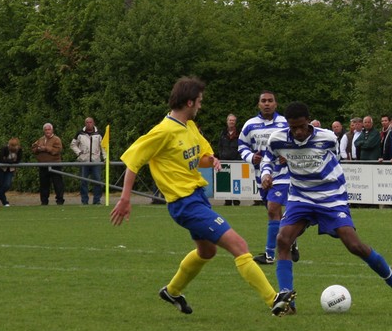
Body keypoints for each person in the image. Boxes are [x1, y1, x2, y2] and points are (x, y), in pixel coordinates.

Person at [110, 77, 291, 316]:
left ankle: (172, 291)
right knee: (239, 245)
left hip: (197, 198)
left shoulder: (190, 127)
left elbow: (201, 158)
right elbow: (133, 161)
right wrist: (125, 198)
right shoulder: (163, 131)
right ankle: (274, 300)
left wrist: (211, 160)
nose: (200, 106)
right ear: (189, 102)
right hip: (184, 203)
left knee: (207, 251)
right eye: (199, 101)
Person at [260, 102, 392, 310]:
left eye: (302, 126)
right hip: (301, 196)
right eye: (293, 128)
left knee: (354, 245)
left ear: (308, 122)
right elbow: (267, 158)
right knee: (282, 239)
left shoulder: (327, 138)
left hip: (331, 196)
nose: (298, 132)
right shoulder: (278, 139)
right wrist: (266, 174)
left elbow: (335, 159)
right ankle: (287, 300)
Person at [238, 91, 296, 265]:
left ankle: (269, 255)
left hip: (282, 173)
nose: (267, 104)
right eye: (263, 101)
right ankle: (291, 239)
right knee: (274, 213)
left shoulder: (285, 123)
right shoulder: (250, 125)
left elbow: (298, 141)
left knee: (273, 208)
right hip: (261, 175)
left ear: (276, 104)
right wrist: (251, 157)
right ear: (259, 104)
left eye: (270, 101)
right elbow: (241, 145)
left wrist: (289, 155)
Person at [70, 116, 105, 205]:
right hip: (84, 161)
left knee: (97, 181)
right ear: (85, 124)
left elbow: (103, 147)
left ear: (93, 123)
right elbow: (73, 145)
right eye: (87, 122)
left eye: (90, 122)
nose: (89, 124)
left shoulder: (99, 133)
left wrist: (105, 157)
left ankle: (97, 200)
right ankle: (84, 201)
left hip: (96, 161)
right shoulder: (80, 133)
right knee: (83, 182)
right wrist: (79, 153)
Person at [31, 123, 65, 206]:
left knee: (57, 184)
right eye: (46, 130)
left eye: (49, 129)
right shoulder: (40, 139)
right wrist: (38, 149)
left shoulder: (56, 139)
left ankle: (60, 201)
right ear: (43, 131)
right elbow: (33, 148)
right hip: (43, 165)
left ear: (52, 130)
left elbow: (57, 150)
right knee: (44, 184)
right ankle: (44, 201)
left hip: (55, 165)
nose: (47, 131)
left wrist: (46, 148)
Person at [216, 113, 242, 205]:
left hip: (236, 161)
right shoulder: (223, 133)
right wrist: (221, 155)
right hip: (225, 161)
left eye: (233, 120)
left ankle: (236, 200)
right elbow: (220, 146)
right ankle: (227, 201)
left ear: (235, 122)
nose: (231, 122)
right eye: (230, 120)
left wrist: (239, 158)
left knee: (237, 181)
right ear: (227, 121)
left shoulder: (239, 133)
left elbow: (242, 146)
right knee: (225, 181)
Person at [0, 137, 22, 206]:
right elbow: (1, 159)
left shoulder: (19, 150)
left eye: (15, 146)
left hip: (10, 169)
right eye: (12, 146)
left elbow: (18, 160)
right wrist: (11, 161)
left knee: (7, 185)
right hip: (0, 169)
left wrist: (8, 161)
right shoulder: (4, 148)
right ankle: (5, 202)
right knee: (1, 185)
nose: (14, 147)